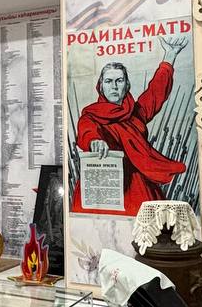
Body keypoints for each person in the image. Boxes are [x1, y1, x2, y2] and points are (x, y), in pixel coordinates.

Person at [71, 35, 190, 215]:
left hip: (140, 187)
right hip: (105, 188)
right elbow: (87, 130)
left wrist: (170, 55)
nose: (114, 86)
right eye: (108, 81)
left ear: (127, 85)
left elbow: (156, 92)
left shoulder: (135, 113)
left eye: (119, 81)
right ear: (101, 86)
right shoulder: (91, 115)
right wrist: (95, 141)